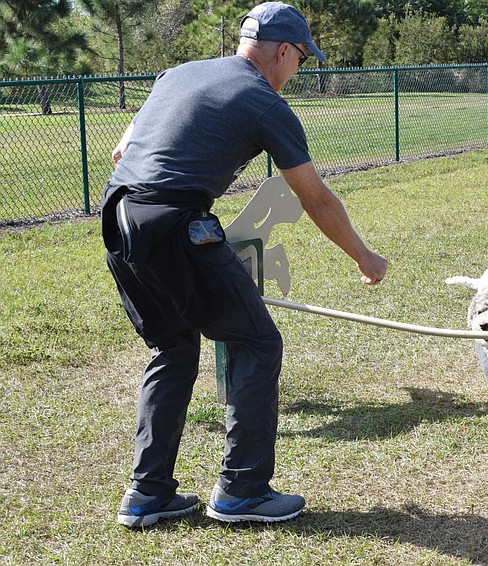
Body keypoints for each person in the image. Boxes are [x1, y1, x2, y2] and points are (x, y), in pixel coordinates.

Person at [103, 2, 388, 528]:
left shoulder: (179, 74)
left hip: (118, 219)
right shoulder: (261, 100)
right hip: (173, 224)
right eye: (302, 60)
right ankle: (243, 490)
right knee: (256, 341)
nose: (298, 73)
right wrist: (365, 257)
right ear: (284, 51)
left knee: (175, 346)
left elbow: (123, 152)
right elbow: (315, 198)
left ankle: (148, 496)